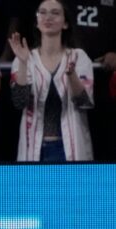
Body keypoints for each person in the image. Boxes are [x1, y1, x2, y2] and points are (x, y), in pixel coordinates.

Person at [8, 0, 94, 161]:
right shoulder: (25, 57)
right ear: (37, 22)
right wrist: (23, 63)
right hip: (34, 149)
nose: (48, 17)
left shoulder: (78, 57)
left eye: (55, 13)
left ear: (65, 23)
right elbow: (19, 102)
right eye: (43, 12)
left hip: (70, 148)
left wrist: (71, 75)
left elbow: (84, 103)